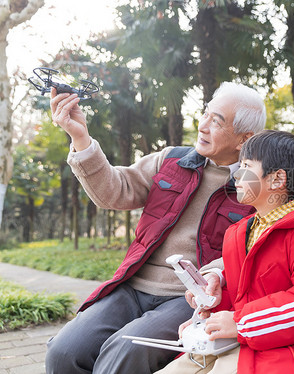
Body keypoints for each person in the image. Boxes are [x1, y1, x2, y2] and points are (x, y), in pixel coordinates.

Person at [45, 82, 266, 374]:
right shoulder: (171, 160)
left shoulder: (256, 185)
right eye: (205, 114)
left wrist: (217, 273)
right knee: (63, 352)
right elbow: (115, 190)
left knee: (123, 351)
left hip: (188, 298)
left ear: (244, 139)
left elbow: (257, 246)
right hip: (132, 287)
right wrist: (80, 137)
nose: (203, 126)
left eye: (217, 121)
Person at [157, 130, 294, 374]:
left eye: (247, 166)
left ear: (276, 179)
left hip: (293, 351)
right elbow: (247, 295)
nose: (237, 174)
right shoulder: (245, 232)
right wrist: (213, 310)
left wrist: (240, 323)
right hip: (247, 343)